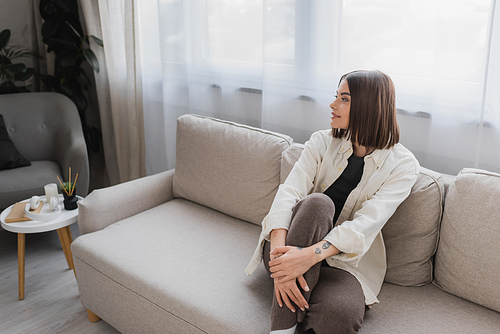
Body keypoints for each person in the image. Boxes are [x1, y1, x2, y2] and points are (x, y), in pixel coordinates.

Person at [245, 70, 420, 334]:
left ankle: (301, 291)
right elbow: (289, 193)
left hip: (341, 262)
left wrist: (307, 257)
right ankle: (281, 330)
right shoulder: (320, 142)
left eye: (344, 99)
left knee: (339, 315)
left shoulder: (403, 166)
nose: (332, 104)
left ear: (368, 105)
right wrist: (281, 260)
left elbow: (366, 224)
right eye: (336, 96)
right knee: (318, 204)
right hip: (293, 240)